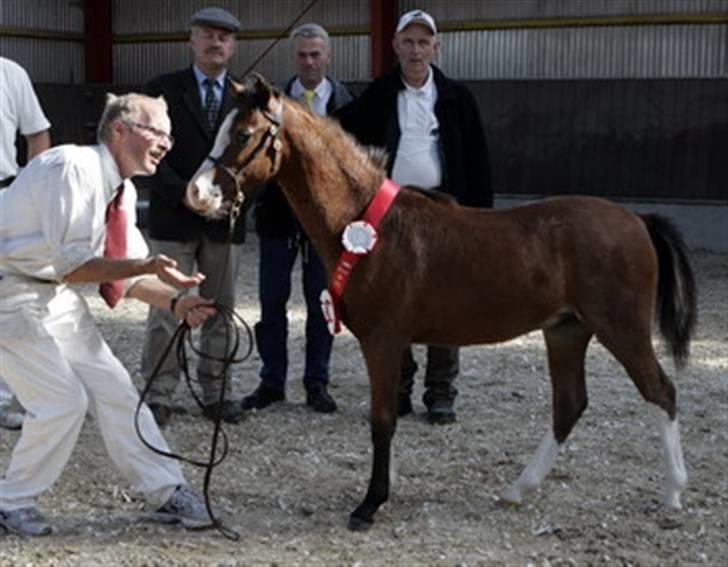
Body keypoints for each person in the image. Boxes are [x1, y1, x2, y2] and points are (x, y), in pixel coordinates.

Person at [0, 92, 215, 536]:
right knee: (62, 401)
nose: (166, 144)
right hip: (7, 290)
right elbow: (76, 265)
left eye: (168, 136)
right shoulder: (71, 167)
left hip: (47, 292)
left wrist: (178, 303)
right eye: (157, 131)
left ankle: (168, 490)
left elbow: (129, 278)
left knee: (115, 388)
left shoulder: (121, 190)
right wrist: (144, 266)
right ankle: (10, 503)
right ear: (120, 129)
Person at [337, 9, 492, 425]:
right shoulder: (378, 95)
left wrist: (480, 219)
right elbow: (340, 135)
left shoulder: (459, 98)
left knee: (449, 298)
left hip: (448, 212)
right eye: (408, 41)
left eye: (424, 42)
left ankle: (441, 392)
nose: (416, 49)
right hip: (391, 213)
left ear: (435, 47)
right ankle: (399, 387)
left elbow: (479, 159)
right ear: (395, 47)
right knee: (391, 298)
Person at [139, 7, 246, 427]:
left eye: (224, 37)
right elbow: (148, 152)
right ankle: (158, 392)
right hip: (174, 219)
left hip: (224, 222)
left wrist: (231, 202)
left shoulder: (245, 99)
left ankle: (218, 392)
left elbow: (258, 164)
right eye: (207, 35)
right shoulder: (162, 90)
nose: (215, 43)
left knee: (221, 311)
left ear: (233, 46)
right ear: (192, 41)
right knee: (165, 310)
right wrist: (181, 193)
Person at [240, 23, 354, 414]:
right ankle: (271, 381)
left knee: (322, 303)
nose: (309, 61)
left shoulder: (346, 103)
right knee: (272, 303)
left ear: (328, 56)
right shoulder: (271, 102)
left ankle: (316, 383)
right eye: (303, 55)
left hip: (326, 226)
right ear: (295, 58)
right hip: (277, 220)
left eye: (316, 54)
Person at [0, 56, 52, 431]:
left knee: (7, 302)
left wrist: (32, 192)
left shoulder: (10, 73)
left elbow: (37, 135)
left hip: (4, 196)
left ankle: (2, 399)